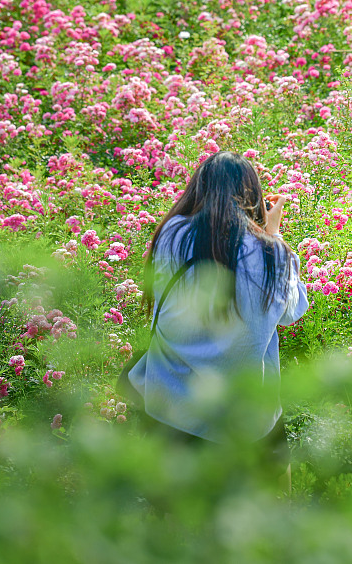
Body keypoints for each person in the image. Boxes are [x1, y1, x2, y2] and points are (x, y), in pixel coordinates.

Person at [121, 151, 308, 467]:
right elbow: (293, 311)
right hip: (245, 420)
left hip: (170, 406)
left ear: (198, 190)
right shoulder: (271, 253)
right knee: (272, 479)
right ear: (253, 197)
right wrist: (272, 234)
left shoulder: (171, 233)